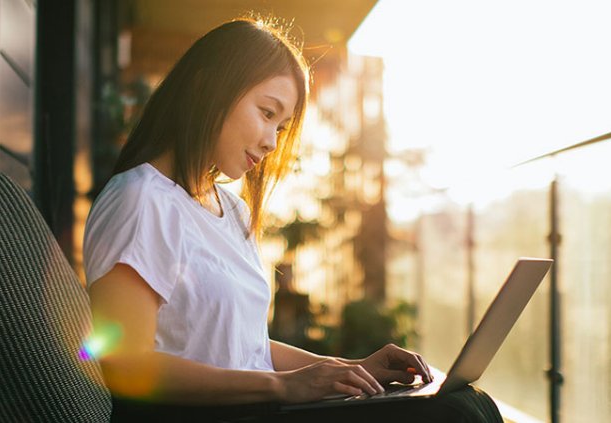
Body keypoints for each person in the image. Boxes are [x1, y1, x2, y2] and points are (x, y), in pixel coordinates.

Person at [83, 16, 502, 422]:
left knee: (468, 402)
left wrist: (349, 369)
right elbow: (125, 366)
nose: (270, 142)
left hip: (261, 407)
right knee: (451, 414)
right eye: (267, 113)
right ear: (207, 88)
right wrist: (282, 387)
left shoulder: (230, 211)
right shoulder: (141, 200)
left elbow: (248, 349)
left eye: (281, 127)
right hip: (222, 415)